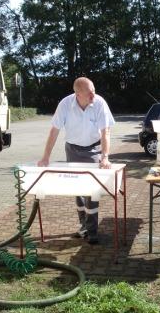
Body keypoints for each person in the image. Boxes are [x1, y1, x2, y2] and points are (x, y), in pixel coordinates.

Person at [37, 77, 115, 244]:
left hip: (94, 149)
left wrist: (105, 157)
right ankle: (83, 226)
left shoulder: (99, 102)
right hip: (72, 149)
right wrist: (46, 156)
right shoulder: (65, 104)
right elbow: (54, 131)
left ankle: (92, 231)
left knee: (92, 190)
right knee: (77, 189)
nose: (94, 95)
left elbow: (105, 131)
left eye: (94, 90)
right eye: (90, 93)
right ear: (78, 94)